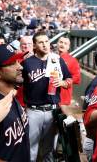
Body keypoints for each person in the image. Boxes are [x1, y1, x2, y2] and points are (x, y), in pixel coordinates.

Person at [22, 31, 73, 161]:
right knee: (30, 149)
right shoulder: (27, 63)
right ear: (34, 46)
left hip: (52, 110)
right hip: (33, 111)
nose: (45, 45)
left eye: (46, 41)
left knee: (49, 150)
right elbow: (17, 83)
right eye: (41, 42)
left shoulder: (57, 59)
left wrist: (62, 82)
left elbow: (69, 80)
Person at [57, 35, 81, 108]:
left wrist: (65, 82)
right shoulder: (50, 57)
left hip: (63, 97)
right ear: (57, 43)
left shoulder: (72, 60)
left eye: (65, 43)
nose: (62, 44)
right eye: (61, 42)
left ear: (68, 47)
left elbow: (77, 78)